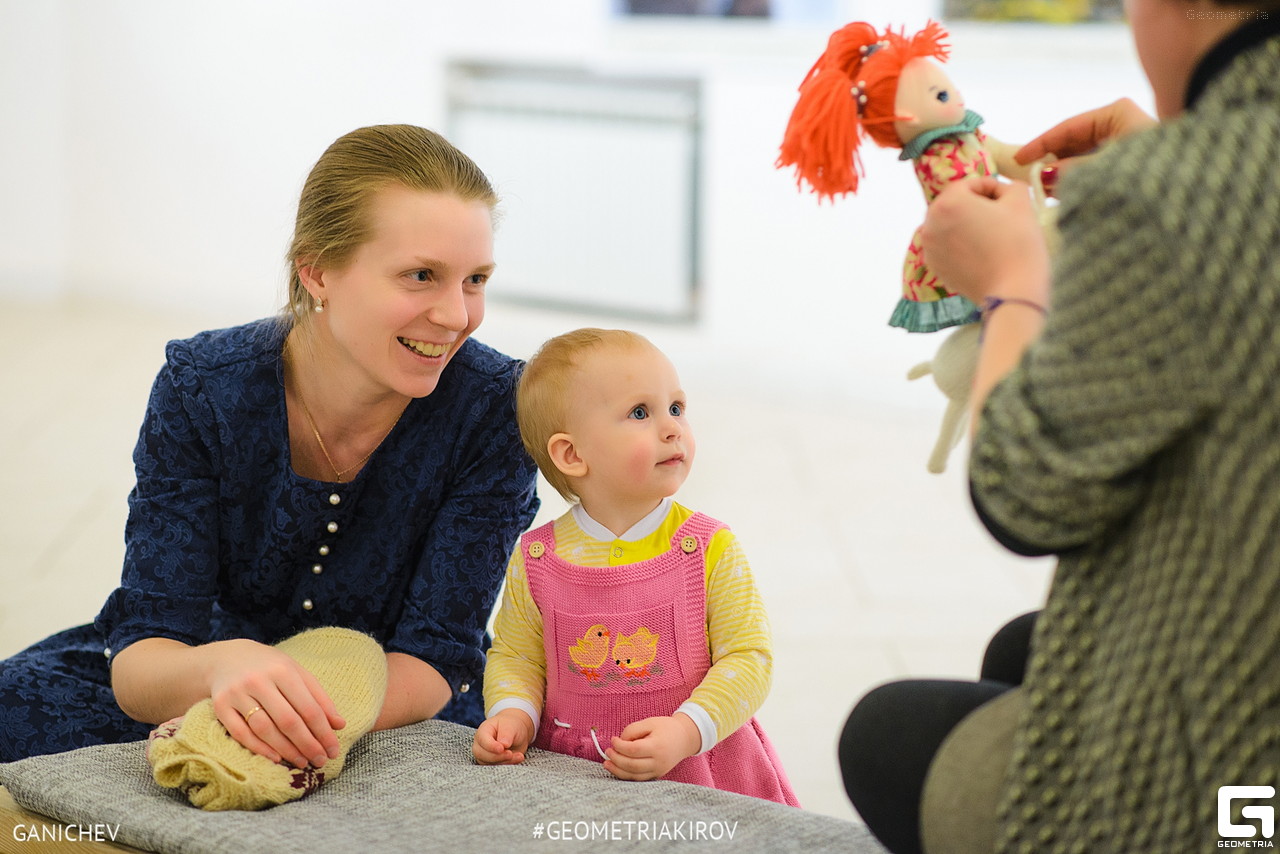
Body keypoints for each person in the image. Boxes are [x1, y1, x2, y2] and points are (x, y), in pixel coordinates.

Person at [839, 2, 1280, 852]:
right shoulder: (1199, 177)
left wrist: (1012, 284)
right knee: (1021, 648)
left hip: (1246, 780)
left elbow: (1025, 495)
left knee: (887, 731)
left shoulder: (1164, 191)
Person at [0, 125, 539, 771]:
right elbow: (145, 652)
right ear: (316, 271)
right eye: (421, 275)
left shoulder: (496, 410)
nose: (456, 315)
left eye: (475, 279)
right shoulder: (202, 386)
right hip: (206, 671)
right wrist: (225, 672)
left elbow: (435, 661)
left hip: (390, 703)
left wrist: (274, 731)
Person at [471, 328, 798, 806]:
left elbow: (750, 657)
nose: (672, 428)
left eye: (677, 408)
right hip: (576, 776)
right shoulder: (539, 558)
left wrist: (687, 731)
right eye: (641, 413)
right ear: (572, 454)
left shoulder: (708, 548)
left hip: (700, 771)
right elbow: (518, 658)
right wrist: (513, 713)